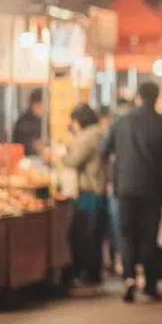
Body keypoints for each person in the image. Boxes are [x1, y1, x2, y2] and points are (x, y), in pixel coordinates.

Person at [100, 81, 162, 302]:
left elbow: (103, 150)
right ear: (157, 99)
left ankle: (129, 277)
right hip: (153, 188)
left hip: (125, 187)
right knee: (150, 234)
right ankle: (150, 284)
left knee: (126, 233)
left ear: (138, 97)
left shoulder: (121, 121)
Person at [64, 103, 110, 286]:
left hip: (90, 191)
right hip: (99, 190)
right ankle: (93, 273)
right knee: (94, 235)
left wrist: (61, 152)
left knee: (83, 234)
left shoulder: (89, 136)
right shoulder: (100, 132)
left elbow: (72, 160)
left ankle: (87, 273)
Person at [11, 88, 45, 158]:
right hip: (24, 158)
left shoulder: (42, 120)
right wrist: (34, 144)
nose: (42, 109)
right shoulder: (23, 121)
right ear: (33, 105)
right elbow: (18, 143)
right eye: (40, 106)